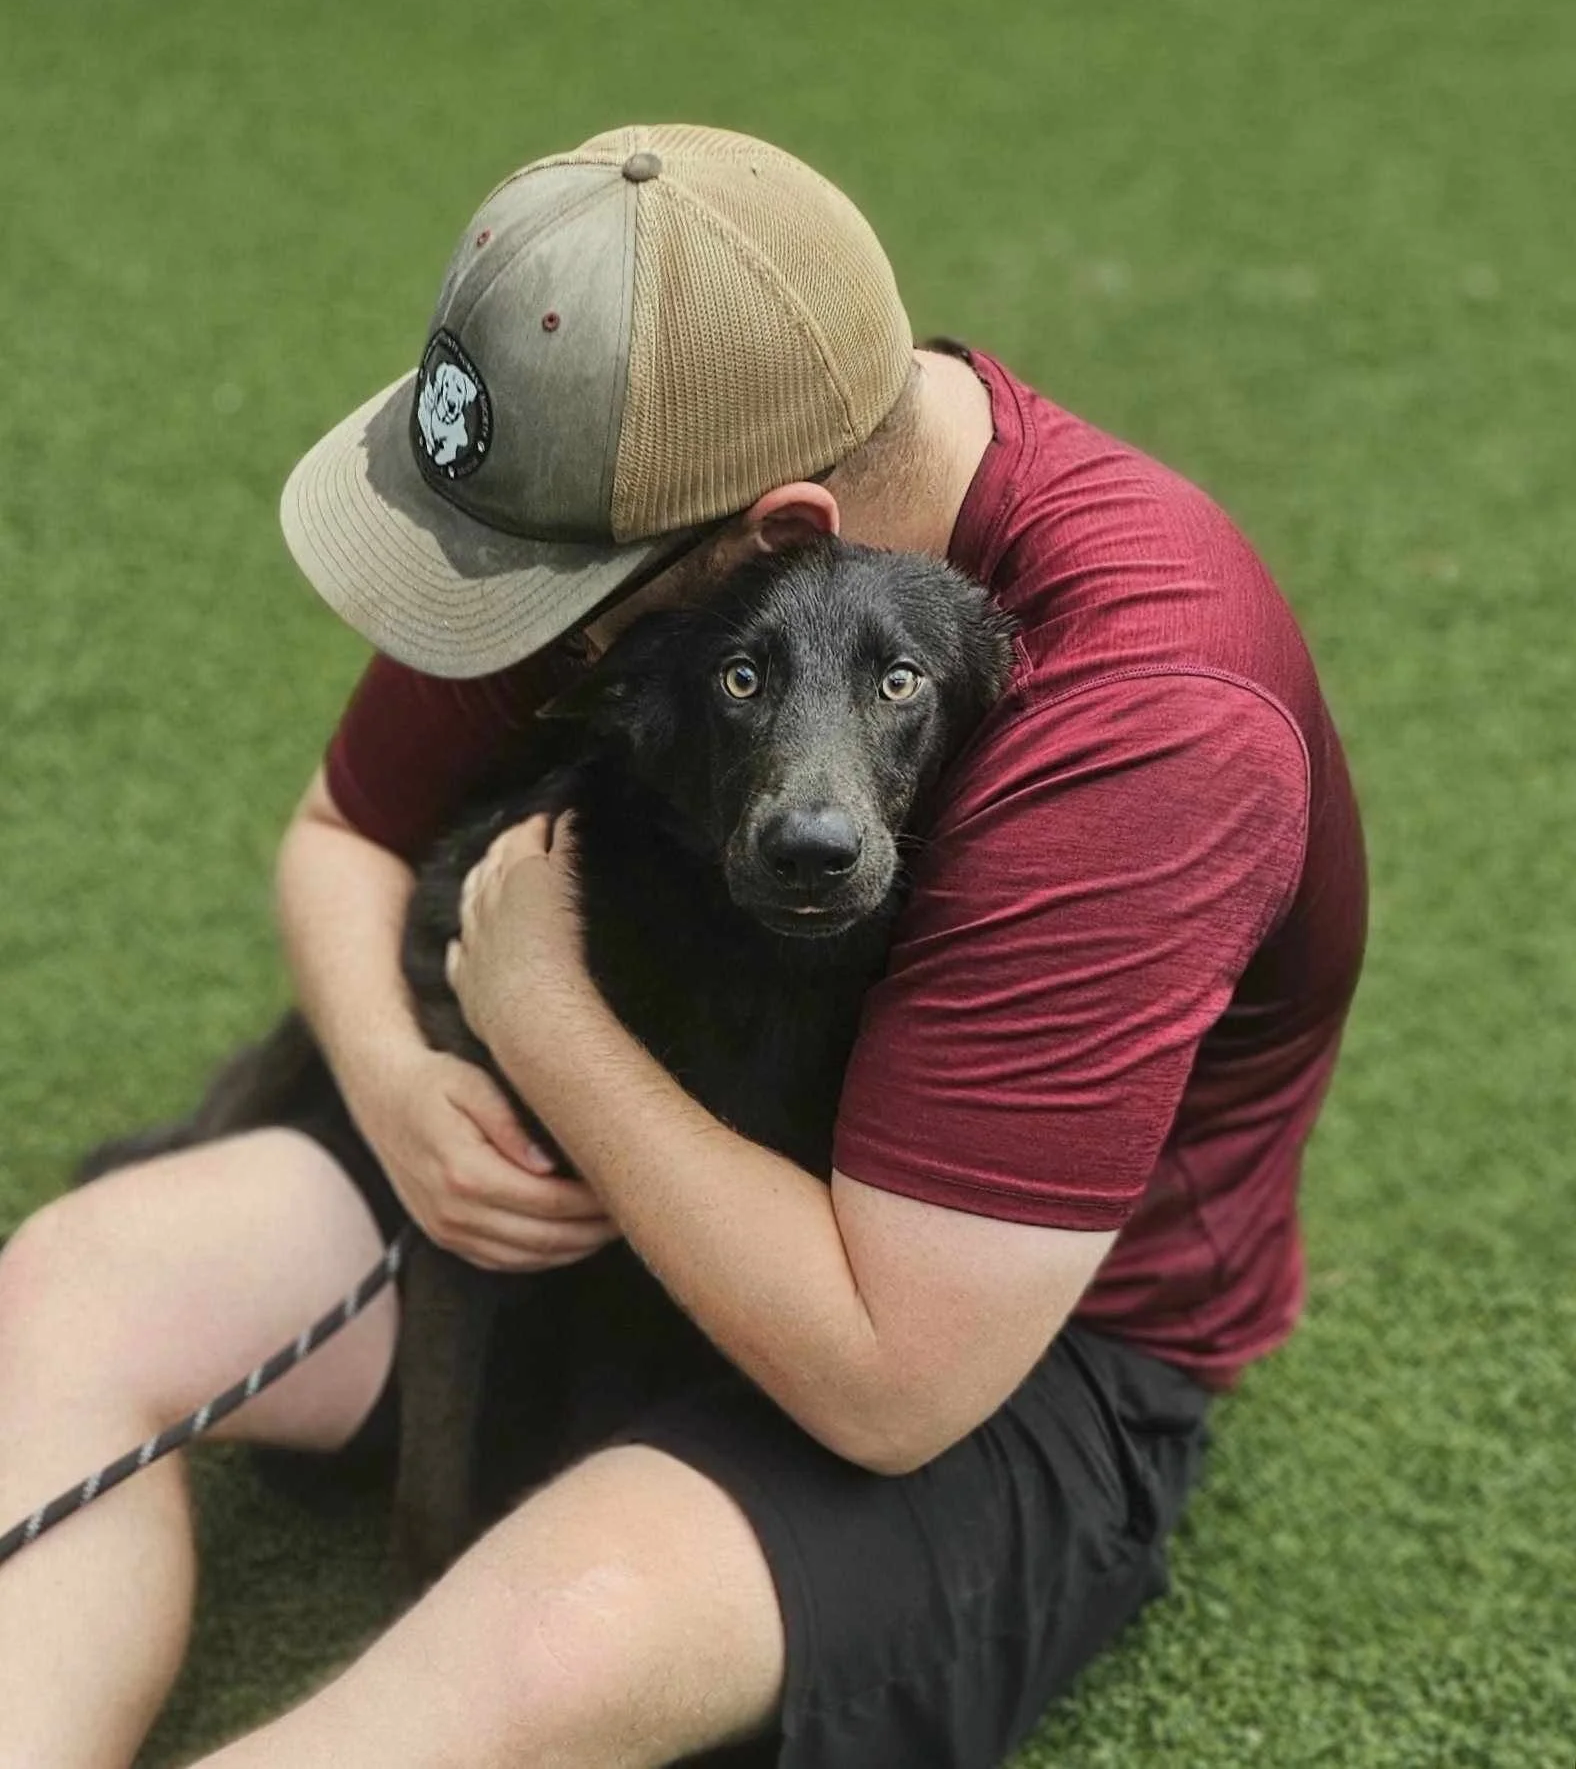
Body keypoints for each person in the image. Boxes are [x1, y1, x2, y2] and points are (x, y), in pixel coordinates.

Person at [0, 125, 1365, 1769]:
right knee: (74, 1287)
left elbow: (888, 1375)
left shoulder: (1150, 712)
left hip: (995, 1333)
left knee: (540, 1650)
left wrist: (542, 1020)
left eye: (554, 607)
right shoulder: (625, 500)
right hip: (595, 1178)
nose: (517, 635)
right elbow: (344, 837)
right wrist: (399, 1085)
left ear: (778, 535)